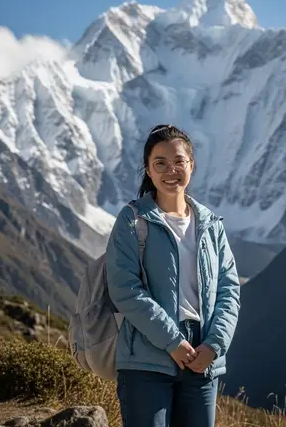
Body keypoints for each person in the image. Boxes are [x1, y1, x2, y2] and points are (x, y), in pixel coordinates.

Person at [105, 124, 241, 427]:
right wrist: (172, 341)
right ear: (148, 171)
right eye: (160, 163)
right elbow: (125, 289)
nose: (171, 170)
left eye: (179, 161)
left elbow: (229, 290)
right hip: (146, 357)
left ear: (192, 165)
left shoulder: (211, 224)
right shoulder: (133, 220)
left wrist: (215, 345)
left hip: (203, 358)